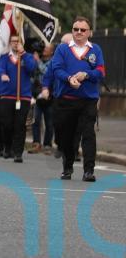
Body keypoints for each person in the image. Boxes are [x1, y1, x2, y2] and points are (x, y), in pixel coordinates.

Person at [51, 17, 105, 182]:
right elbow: (56, 69)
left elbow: (101, 72)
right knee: (67, 137)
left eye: (83, 29)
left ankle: (89, 171)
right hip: (67, 100)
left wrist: (86, 75)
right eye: (76, 29)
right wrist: (69, 79)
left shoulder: (95, 49)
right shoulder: (62, 49)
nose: (79, 32)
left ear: (89, 32)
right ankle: (67, 168)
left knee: (88, 135)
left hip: (88, 101)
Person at [0, 34, 36, 162]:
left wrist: (23, 53)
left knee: (20, 125)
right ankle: (7, 147)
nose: (15, 43)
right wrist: (2, 74)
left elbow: (32, 69)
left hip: (23, 96)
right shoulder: (5, 58)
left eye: (17, 41)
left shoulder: (28, 57)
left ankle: (18, 152)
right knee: (7, 124)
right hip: (7, 95)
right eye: (12, 41)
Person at [30, 43, 55, 153]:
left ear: (52, 51)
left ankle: (47, 145)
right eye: (43, 48)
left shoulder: (53, 62)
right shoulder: (38, 60)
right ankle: (36, 143)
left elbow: (46, 72)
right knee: (36, 120)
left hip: (49, 96)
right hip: (37, 95)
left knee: (49, 122)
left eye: (47, 48)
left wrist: (37, 61)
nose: (44, 50)